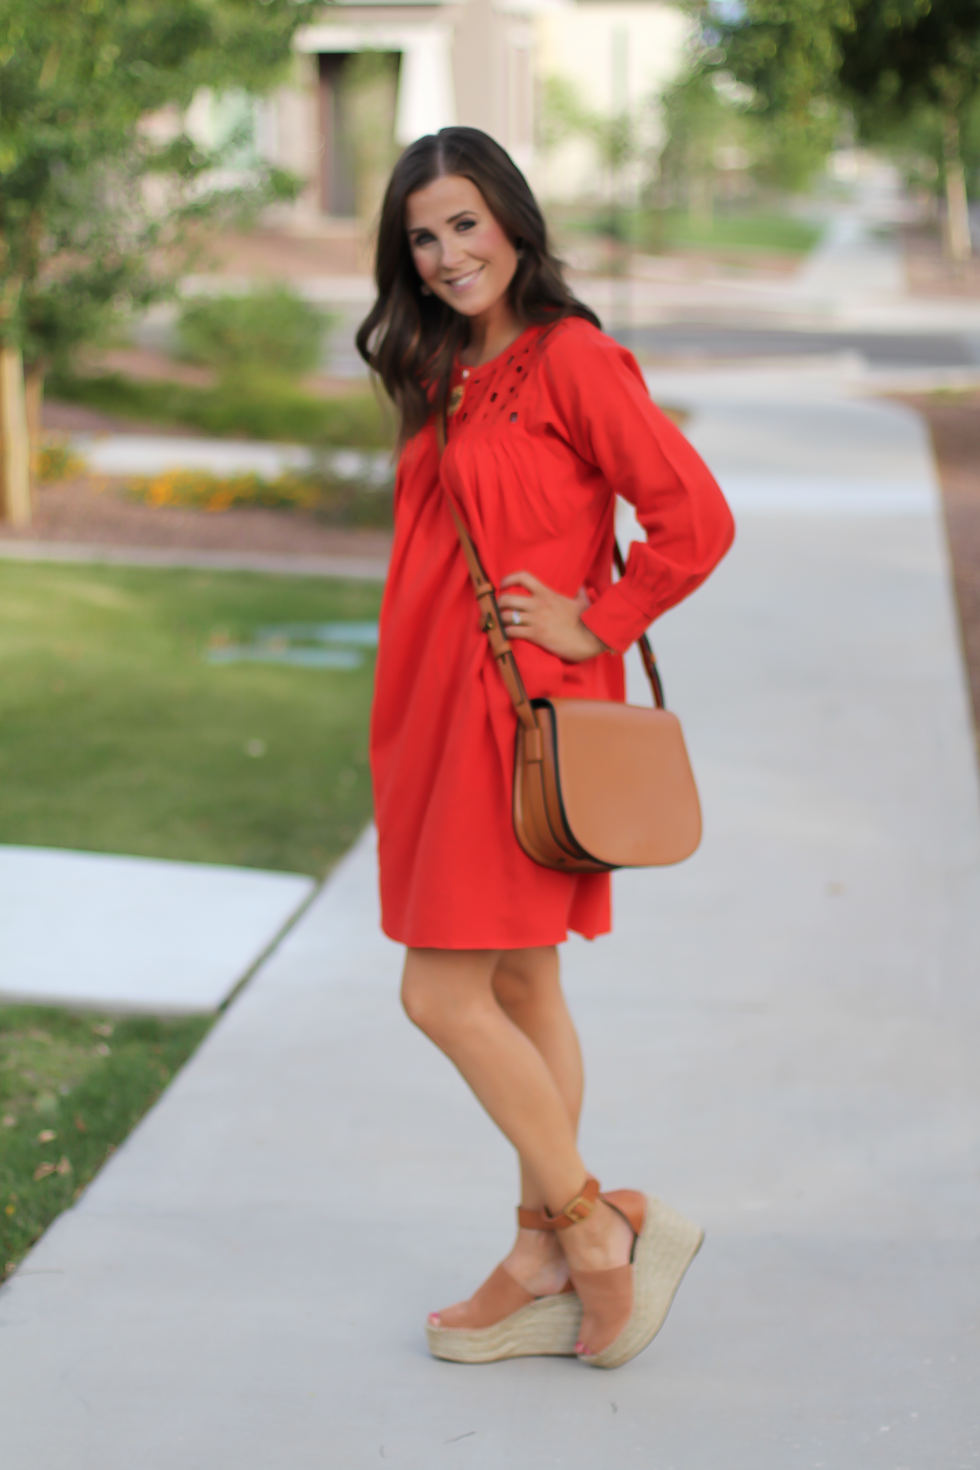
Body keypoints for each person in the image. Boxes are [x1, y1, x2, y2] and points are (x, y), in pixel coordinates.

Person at [356, 127, 734, 1370]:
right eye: (423, 235)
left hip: (512, 707)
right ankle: (533, 1255)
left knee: (437, 991)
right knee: (522, 986)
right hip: (433, 707)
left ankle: (592, 1228)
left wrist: (601, 614)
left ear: (513, 220)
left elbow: (693, 514)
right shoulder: (442, 366)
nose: (447, 252)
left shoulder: (571, 358)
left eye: (464, 222)